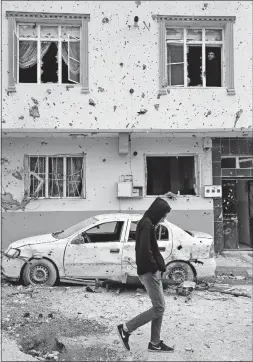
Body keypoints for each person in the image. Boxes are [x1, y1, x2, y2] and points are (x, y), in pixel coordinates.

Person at [117, 197, 174, 353]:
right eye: (163, 215)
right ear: (157, 212)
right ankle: (126, 328)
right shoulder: (147, 224)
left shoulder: (147, 222)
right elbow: (144, 251)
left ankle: (155, 343)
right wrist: (155, 268)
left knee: (159, 307)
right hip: (149, 272)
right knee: (159, 308)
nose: (164, 218)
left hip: (150, 271)